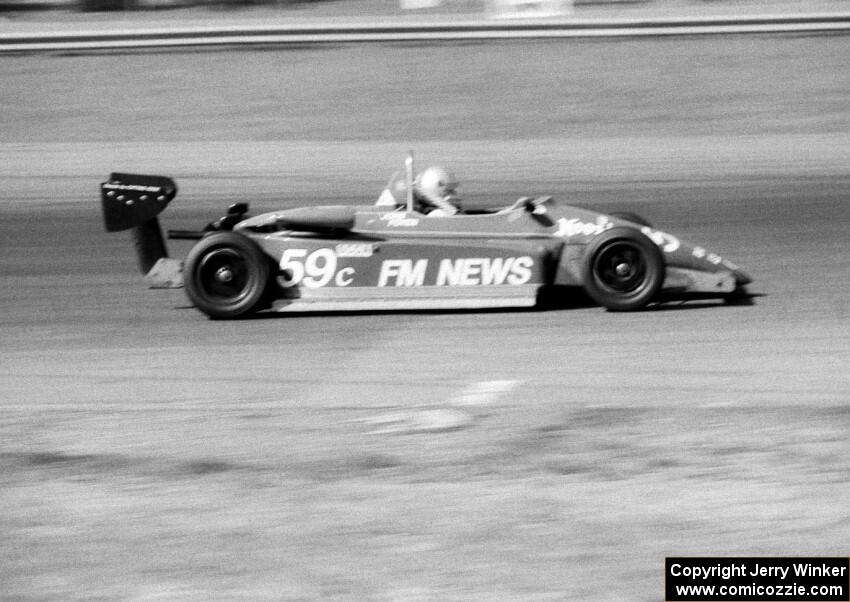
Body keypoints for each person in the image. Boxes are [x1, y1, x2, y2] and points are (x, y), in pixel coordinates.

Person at [375, 165, 461, 216]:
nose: (453, 194)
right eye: (448, 191)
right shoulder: (439, 214)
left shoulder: (440, 212)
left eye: (452, 190)